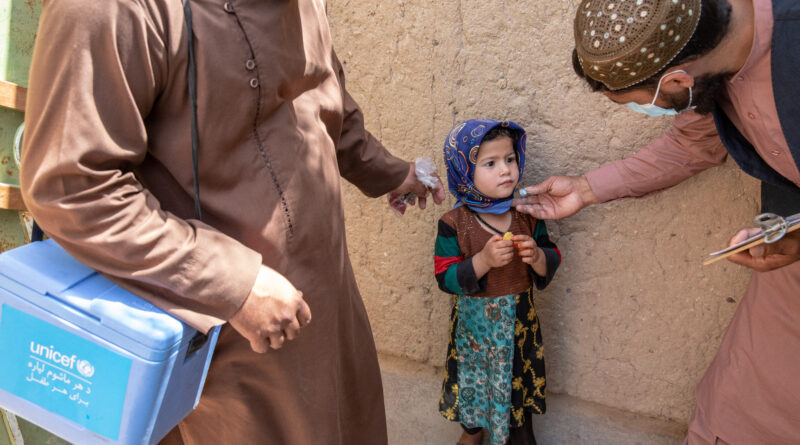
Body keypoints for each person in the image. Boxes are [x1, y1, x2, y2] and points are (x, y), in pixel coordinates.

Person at [19, 0, 444, 444]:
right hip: (222, 337)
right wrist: (234, 283)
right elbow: (73, 189)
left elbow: (320, 91)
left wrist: (390, 172)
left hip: (323, 301)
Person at [515, 0, 800, 443]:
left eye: (639, 103)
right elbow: (695, 144)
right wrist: (588, 189)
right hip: (789, 271)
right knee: (730, 417)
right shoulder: (710, 65)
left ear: (677, 80)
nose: (647, 111)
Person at [434, 119, 561, 445]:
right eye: (490, 163)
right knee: (474, 420)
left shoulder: (527, 215)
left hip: (520, 331)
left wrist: (538, 258)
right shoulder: (454, 223)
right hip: (476, 336)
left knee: (518, 417)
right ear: (464, 170)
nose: (505, 170)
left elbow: (552, 255)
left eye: (510, 159)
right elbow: (445, 277)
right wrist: (482, 262)